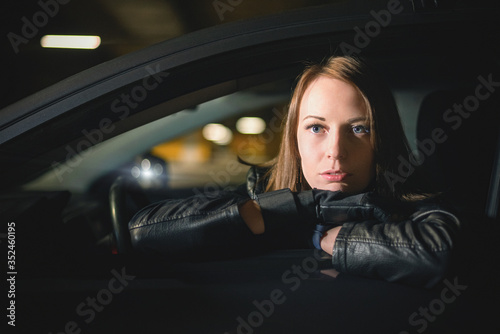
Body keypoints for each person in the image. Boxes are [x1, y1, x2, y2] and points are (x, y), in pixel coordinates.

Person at [128, 56, 462, 288]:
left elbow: (443, 252)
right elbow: (146, 231)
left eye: (359, 129)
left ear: (382, 140)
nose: (335, 151)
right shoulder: (262, 194)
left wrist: (327, 234)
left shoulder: (414, 208)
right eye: (317, 128)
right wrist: (299, 207)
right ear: (294, 139)